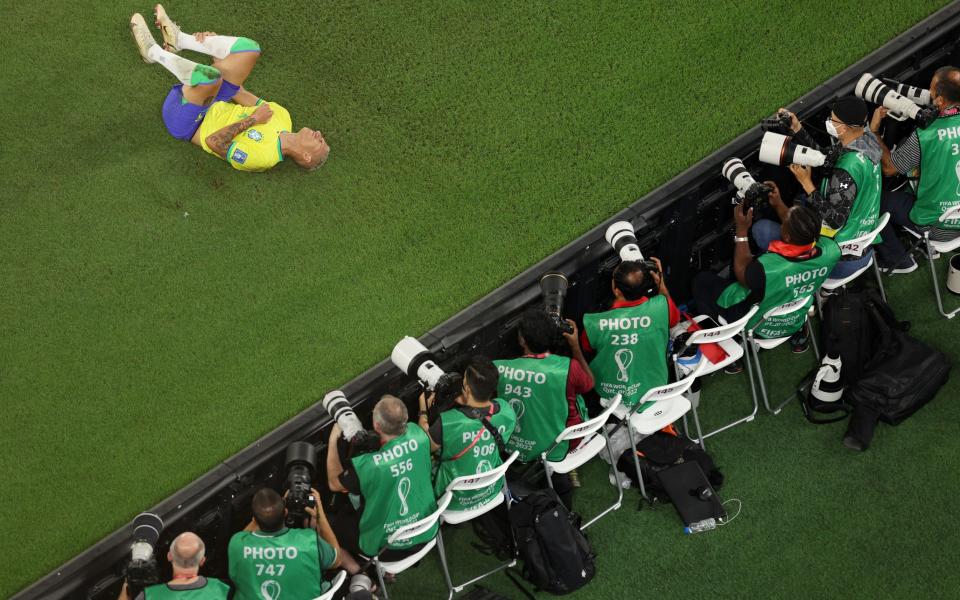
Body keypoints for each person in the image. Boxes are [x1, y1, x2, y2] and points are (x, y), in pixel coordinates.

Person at [129, 5, 329, 172]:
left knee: (211, 78)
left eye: (319, 142)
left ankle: (152, 52)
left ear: (306, 156)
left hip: (187, 122)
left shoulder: (263, 158)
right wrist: (219, 51)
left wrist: (253, 119)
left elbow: (215, 142)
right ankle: (179, 40)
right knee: (249, 50)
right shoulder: (283, 117)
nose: (319, 134)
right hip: (213, 99)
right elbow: (238, 92)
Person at [753, 98, 882, 280]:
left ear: (844, 128)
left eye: (833, 119)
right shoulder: (866, 142)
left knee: (762, 230)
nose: (829, 121)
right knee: (801, 203)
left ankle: (771, 282)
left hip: (838, 259)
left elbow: (835, 220)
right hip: (863, 245)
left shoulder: (847, 169)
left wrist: (807, 184)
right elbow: (825, 157)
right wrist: (797, 128)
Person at [693, 204, 841, 343]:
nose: (781, 225)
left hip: (758, 326)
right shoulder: (832, 251)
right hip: (794, 318)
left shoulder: (767, 268)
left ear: (788, 237)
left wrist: (741, 230)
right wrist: (778, 204)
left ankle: (721, 339)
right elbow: (807, 232)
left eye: (784, 224)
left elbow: (741, 273)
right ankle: (799, 335)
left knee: (701, 281)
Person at [327, 395, 438, 560]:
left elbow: (334, 484)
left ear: (376, 425)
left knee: (324, 523)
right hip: (426, 531)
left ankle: (360, 574)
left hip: (387, 549)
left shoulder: (368, 465)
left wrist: (332, 441)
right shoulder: (419, 434)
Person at [872, 66, 960, 272]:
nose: (928, 94)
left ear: (939, 100)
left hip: (937, 227)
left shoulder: (926, 134)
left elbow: (890, 169)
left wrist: (873, 132)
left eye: (931, 90)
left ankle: (900, 260)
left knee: (871, 202)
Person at [420, 356, 518, 511]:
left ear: (466, 386)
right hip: (490, 488)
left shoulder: (447, 423)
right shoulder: (506, 410)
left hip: (452, 499)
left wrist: (422, 411)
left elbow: (423, 446)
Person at [580, 258, 680, 406]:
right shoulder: (662, 305)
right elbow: (674, 320)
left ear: (616, 290)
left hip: (610, 393)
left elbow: (586, 347)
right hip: (657, 386)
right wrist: (661, 283)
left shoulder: (594, 322)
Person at [227, 487, 346, 600]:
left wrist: (261, 516)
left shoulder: (237, 543)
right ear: (285, 512)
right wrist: (320, 515)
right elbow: (337, 561)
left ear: (254, 519)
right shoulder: (308, 540)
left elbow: (244, 535)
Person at [118, 532, 229, 600]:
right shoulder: (224, 588)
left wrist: (125, 589)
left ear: (169, 556)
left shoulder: (149, 596)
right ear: (202, 561)